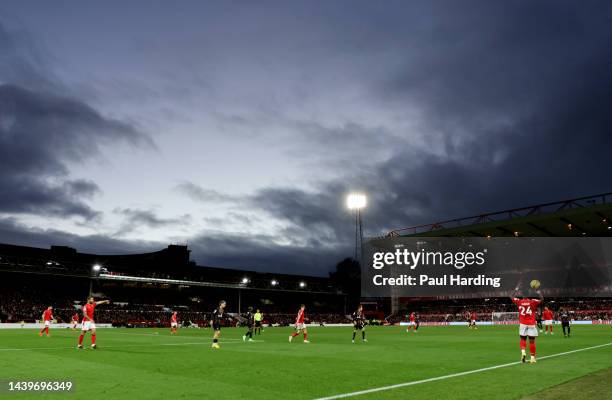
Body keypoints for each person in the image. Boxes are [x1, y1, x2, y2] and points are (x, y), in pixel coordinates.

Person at [511, 287, 543, 363]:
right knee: (532, 341)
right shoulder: (533, 301)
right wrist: (537, 292)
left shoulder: (519, 301)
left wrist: (516, 289)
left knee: (522, 339)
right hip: (531, 324)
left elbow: (511, 296)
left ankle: (523, 352)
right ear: (529, 295)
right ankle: (532, 358)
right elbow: (542, 300)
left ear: (522, 294)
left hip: (522, 323)